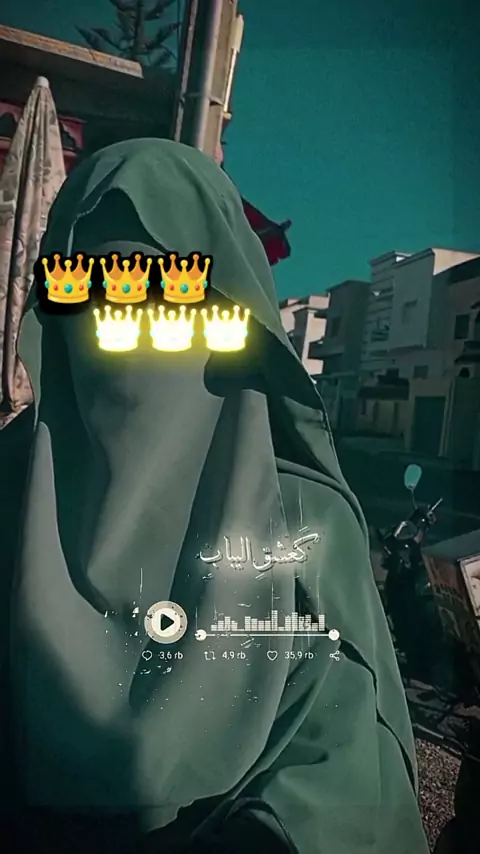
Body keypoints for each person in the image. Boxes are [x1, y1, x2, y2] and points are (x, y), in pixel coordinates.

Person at [0, 139, 429, 854]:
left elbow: (344, 781)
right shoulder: (9, 492)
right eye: (89, 291)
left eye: (163, 291)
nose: (120, 326)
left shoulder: (305, 524)